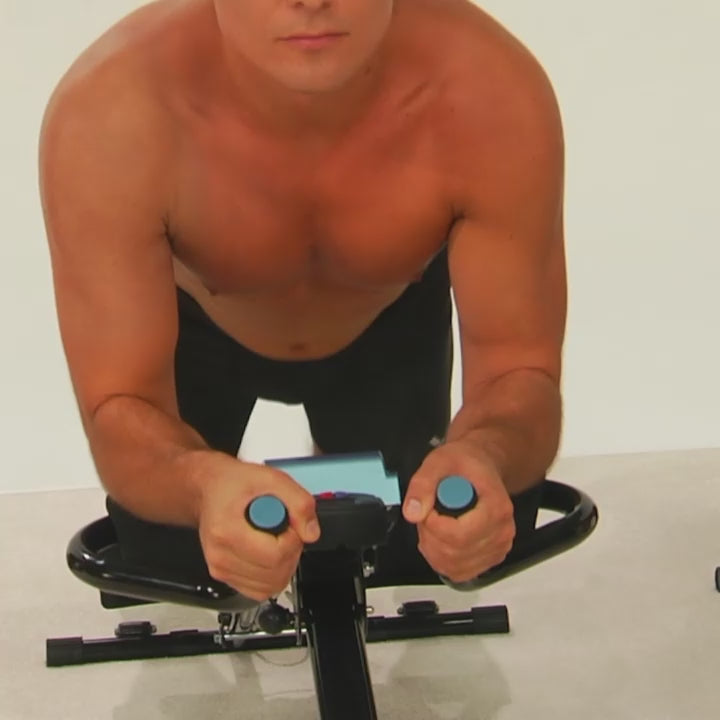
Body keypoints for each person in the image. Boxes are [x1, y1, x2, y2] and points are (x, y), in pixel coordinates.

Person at [39, 0, 566, 603]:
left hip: (389, 319)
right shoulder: (110, 111)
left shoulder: (491, 93)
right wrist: (201, 483)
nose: (311, 1)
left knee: (442, 544)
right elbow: (118, 403)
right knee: (167, 567)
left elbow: (520, 372)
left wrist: (486, 453)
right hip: (195, 329)